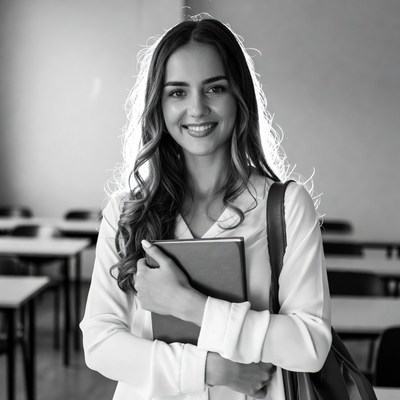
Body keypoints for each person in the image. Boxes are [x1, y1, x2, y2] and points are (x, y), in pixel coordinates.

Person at [80, 15, 331, 400]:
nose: (197, 109)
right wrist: (210, 370)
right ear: (158, 105)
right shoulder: (126, 211)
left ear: (238, 96)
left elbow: (309, 346)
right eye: (177, 93)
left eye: (214, 88)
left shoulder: (284, 207)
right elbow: (100, 343)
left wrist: (189, 305)